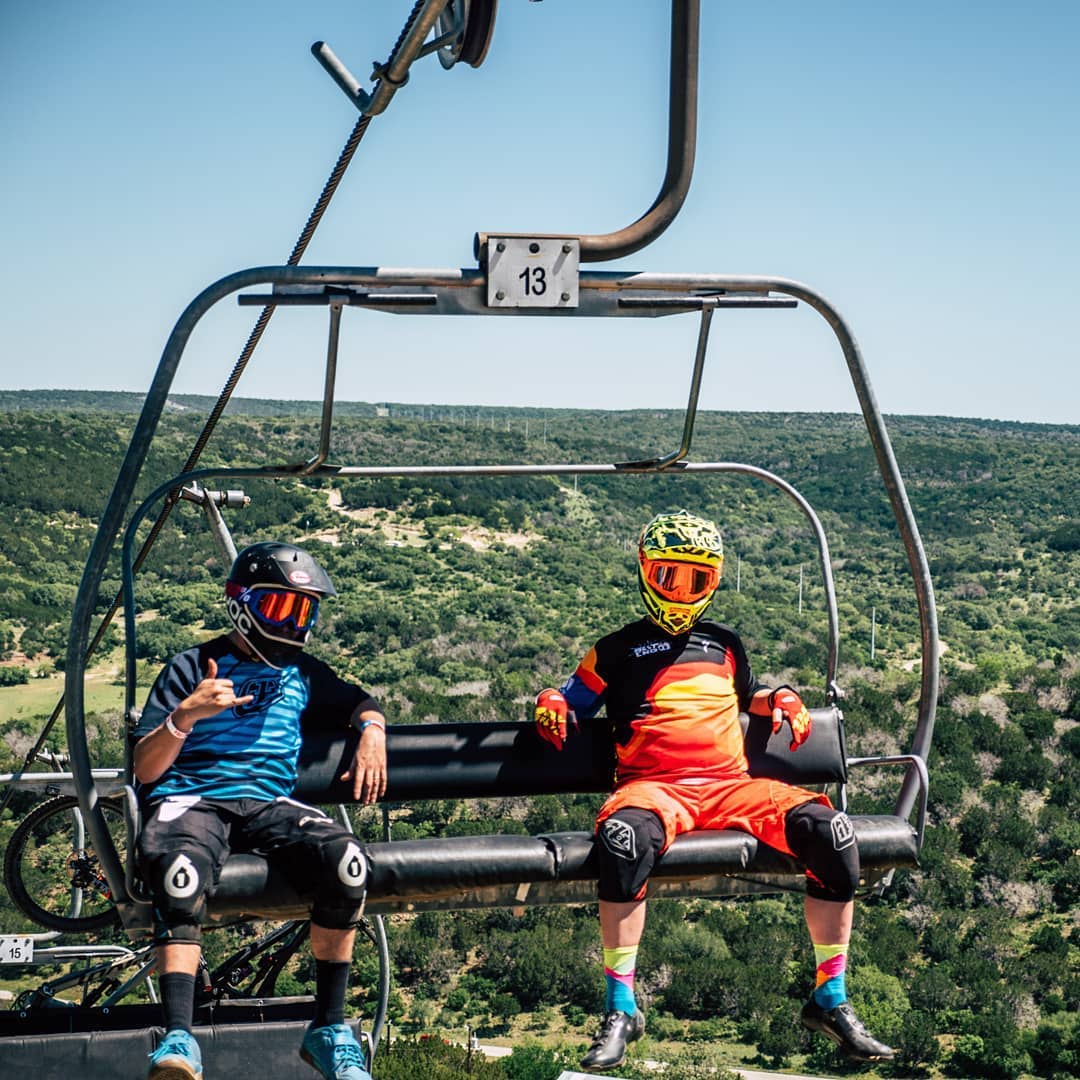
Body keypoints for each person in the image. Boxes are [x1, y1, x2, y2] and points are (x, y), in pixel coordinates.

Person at [534, 510, 894, 1072]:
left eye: (695, 580)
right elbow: (573, 696)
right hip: (655, 790)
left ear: (714, 582)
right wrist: (551, 702)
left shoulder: (724, 644)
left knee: (833, 832)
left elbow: (749, 695)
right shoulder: (616, 649)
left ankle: (830, 997)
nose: (681, 592)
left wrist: (782, 696)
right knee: (624, 841)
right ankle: (621, 1007)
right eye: (668, 577)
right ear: (646, 573)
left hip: (731, 787)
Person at [133, 541, 387, 1080]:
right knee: (180, 874)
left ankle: (328, 1029)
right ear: (241, 603)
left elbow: (360, 701)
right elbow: (146, 769)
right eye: (280, 607)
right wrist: (186, 716)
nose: (293, 624)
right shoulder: (189, 667)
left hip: (268, 802)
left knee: (348, 864)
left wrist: (372, 732)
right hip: (194, 799)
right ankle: (178, 1037)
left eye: (303, 610)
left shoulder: (304, 673)